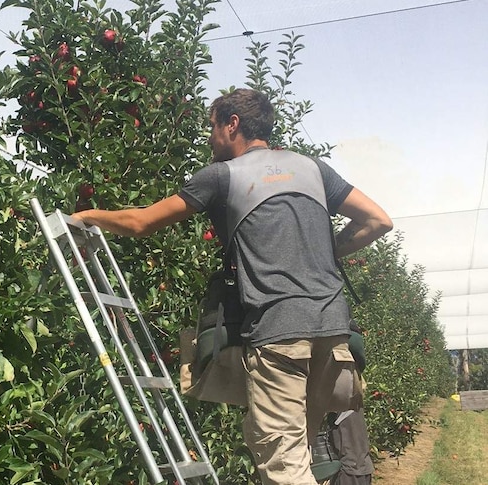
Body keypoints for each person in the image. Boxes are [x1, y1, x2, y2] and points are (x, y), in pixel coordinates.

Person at [73, 88, 392, 485]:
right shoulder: (313, 169)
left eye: (212, 128)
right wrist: (326, 252)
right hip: (334, 331)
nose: (210, 138)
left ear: (232, 124)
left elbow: (142, 222)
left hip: (280, 333)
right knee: (299, 453)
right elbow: (379, 221)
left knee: (283, 467)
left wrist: (89, 215)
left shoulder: (223, 176)